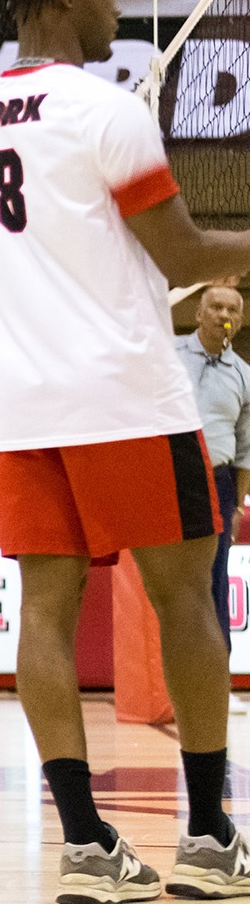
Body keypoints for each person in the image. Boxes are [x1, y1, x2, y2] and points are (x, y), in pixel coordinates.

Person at [0, 0, 250, 904]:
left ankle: (85, 844)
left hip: (27, 408)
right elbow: (188, 255)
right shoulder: (104, 111)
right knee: (187, 600)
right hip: (126, 394)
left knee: (43, 609)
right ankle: (208, 835)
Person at [176, 284, 250, 715]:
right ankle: (167, 682)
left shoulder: (243, 374)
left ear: (239, 320)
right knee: (168, 583)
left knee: (215, 582)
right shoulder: (168, 356)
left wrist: (238, 504)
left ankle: (216, 684)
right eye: (215, 305)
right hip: (167, 475)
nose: (223, 313)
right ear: (198, 312)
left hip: (217, 483)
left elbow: (245, 449)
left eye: (232, 309)